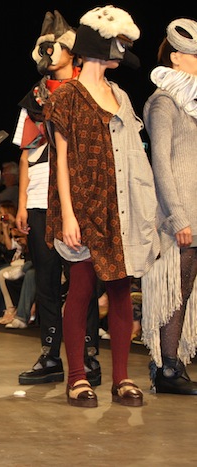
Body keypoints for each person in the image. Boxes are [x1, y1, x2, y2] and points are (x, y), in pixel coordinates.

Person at [45, 5, 159, 407]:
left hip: (120, 205)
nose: (122, 54)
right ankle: (77, 377)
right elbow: (60, 160)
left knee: (121, 289)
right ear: (99, 46)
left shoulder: (120, 95)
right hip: (82, 204)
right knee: (80, 288)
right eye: (118, 45)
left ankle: (122, 378)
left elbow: (134, 156)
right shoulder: (67, 96)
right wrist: (68, 214)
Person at [14, 10, 102, 388]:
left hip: (80, 196)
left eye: (56, 45)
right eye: (44, 47)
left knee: (83, 279)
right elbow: (25, 154)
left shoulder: (90, 89)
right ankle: (50, 355)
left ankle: (89, 355)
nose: (49, 52)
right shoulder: (34, 98)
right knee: (47, 279)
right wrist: (21, 203)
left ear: (73, 50)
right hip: (39, 197)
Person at [141, 17, 197, 395]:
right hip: (178, 215)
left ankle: (172, 364)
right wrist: (177, 216)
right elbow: (159, 161)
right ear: (176, 57)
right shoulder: (163, 102)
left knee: (185, 290)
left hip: (193, 212)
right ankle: (166, 368)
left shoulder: (190, 105)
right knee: (172, 291)